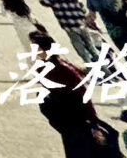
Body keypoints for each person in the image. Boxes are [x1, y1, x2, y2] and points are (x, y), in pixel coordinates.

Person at [30, 26, 115, 158]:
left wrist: (94, 123)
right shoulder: (44, 67)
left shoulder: (62, 69)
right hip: (66, 120)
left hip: (77, 119)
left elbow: (83, 94)